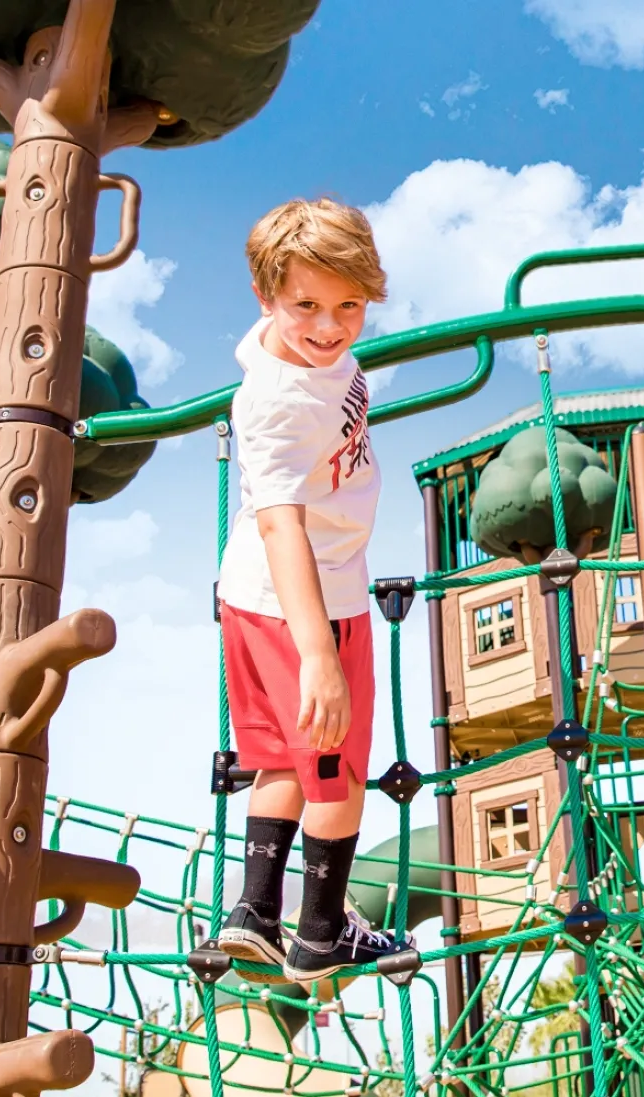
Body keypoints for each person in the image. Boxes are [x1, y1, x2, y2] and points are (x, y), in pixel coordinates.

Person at [216, 197, 400, 983]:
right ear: (266, 297)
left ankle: (255, 910)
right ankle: (322, 930)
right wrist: (320, 653)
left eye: (348, 305)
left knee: (283, 759)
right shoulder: (278, 401)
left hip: (253, 599)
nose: (329, 327)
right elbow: (278, 524)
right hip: (309, 600)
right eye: (307, 308)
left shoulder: (298, 356)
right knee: (338, 765)